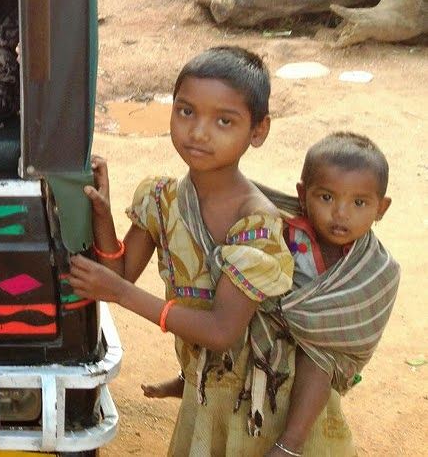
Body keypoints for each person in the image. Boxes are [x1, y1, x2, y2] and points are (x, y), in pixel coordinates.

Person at [69, 47, 399, 456]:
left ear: (258, 131)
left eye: (224, 121)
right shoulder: (161, 199)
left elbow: (223, 332)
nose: (199, 132)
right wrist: (103, 214)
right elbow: (118, 275)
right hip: (207, 390)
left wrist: (121, 296)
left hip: (266, 401)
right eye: (186, 111)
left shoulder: (257, 224)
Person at [140, 131, 401, 456]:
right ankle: (188, 378)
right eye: (326, 198)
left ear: (381, 207)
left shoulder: (374, 269)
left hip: (314, 356)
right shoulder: (280, 228)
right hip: (249, 338)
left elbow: (349, 337)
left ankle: (290, 443)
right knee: (223, 299)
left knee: (320, 360)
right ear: (303, 195)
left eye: (359, 203)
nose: (340, 214)